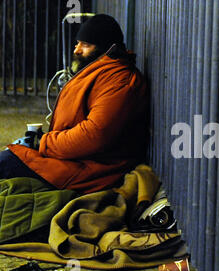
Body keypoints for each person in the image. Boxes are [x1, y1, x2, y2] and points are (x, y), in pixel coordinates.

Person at [1, 14, 149, 194]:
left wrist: (44, 142)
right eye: (77, 43)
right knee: (10, 157)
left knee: (7, 162)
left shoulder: (120, 80)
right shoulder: (102, 71)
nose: (77, 50)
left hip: (91, 170)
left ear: (106, 47)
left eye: (86, 45)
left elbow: (95, 135)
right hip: (74, 160)